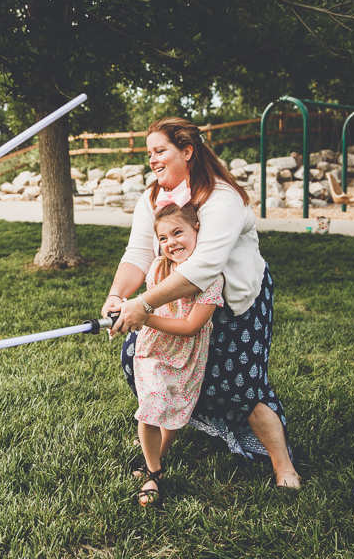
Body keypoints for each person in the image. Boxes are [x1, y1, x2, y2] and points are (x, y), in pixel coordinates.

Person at [103, 116, 302, 490]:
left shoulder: (221, 197)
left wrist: (142, 305)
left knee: (239, 385)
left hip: (233, 304)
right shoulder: (153, 198)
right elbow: (137, 253)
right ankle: (155, 450)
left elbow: (205, 266)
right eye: (150, 153)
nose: (153, 160)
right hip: (171, 304)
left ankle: (283, 465)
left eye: (160, 151)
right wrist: (118, 295)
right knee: (144, 363)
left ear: (187, 151)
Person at [128, 199, 224, 506]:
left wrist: (146, 316)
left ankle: (153, 457)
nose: (171, 242)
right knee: (153, 405)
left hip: (188, 354)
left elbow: (191, 326)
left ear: (197, 229)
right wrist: (133, 312)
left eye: (178, 233)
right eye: (163, 238)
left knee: (169, 411)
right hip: (153, 348)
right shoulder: (159, 267)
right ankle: (153, 473)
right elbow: (147, 303)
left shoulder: (211, 278)